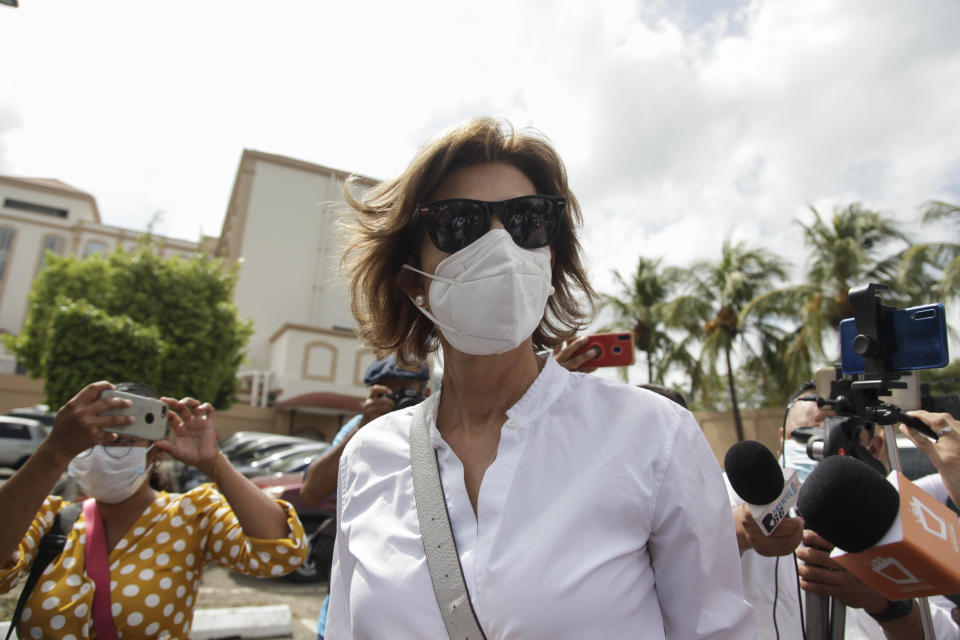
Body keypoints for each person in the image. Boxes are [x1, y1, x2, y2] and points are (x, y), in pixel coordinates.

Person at [325, 117, 754, 638]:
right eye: (459, 223)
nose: (502, 246)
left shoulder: (654, 436)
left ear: (551, 259)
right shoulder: (368, 458)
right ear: (413, 283)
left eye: (528, 220)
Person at [0, 380, 308, 639]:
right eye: (95, 440)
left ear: (154, 453)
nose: (106, 451)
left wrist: (214, 463)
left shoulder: (191, 515)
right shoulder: (47, 517)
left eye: (122, 441)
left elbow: (282, 553)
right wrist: (55, 450)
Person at [300, 355, 431, 640]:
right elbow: (310, 492)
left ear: (428, 393)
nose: (400, 401)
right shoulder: (360, 430)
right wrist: (363, 427)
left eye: (408, 392)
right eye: (389, 394)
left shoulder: (447, 431)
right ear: (371, 395)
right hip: (343, 620)